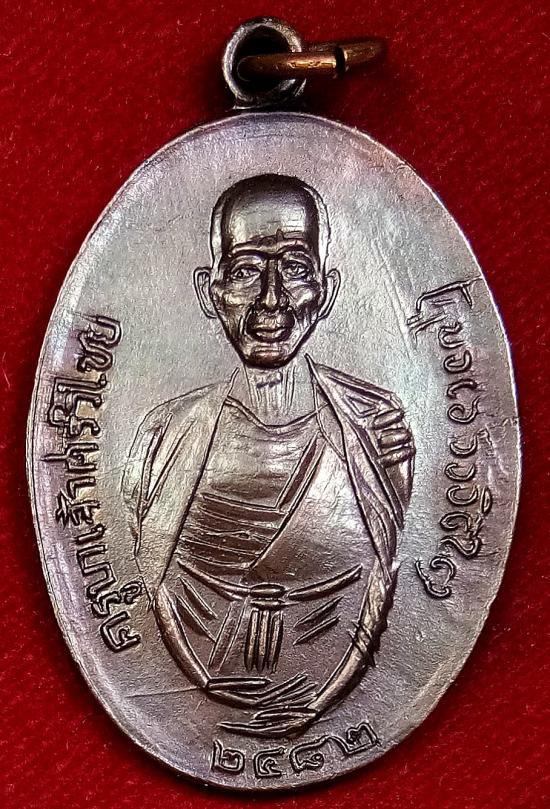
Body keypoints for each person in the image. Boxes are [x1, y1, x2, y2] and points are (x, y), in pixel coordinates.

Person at [123, 173, 414, 738]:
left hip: (326, 686)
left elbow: (387, 568)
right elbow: (149, 576)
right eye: (246, 271)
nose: (272, 299)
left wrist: (319, 703)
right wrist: (206, 684)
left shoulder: (376, 429)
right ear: (211, 292)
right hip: (200, 682)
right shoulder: (163, 437)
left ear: (326, 292)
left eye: (295, 268)